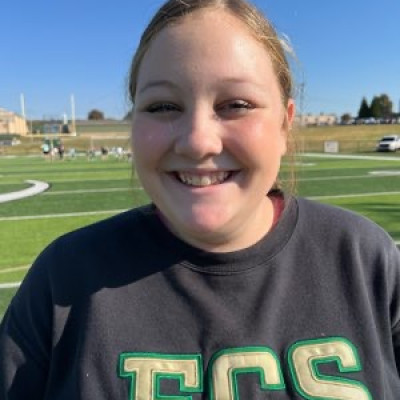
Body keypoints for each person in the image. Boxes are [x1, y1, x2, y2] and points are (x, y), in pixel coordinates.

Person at [1, 0, 400, 399]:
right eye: (163, 106)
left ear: (284, 123)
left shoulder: (366, 260)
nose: (197, 141)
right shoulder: (63, 278)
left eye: (236, 105)